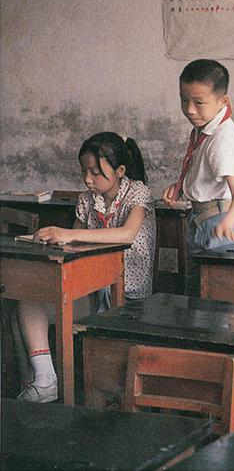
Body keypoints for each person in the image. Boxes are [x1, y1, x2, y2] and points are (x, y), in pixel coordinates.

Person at [17, 132, 156, 402]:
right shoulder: (86, 200)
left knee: (21, 319)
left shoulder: (138, 192)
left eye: (96, 172)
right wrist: (54, 240)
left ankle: (45, 387)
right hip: (92, 291)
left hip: (129, 300)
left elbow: (126, 234)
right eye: (84, 170)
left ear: (120, 171)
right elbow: (73, 248)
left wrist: (69, 234)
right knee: (27, 301)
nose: (88, 179)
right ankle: (45, 381)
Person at [162, 59, 234, 295]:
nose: (190, 109)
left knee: (221, 300)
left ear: (223, 101)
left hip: (221, 225)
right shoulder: (204, 128)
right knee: (198, 296)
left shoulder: (222, 138)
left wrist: (228, 222)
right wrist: (181, 186)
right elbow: (206, 176)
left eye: (199, 102)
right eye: (184, 100)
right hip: (202, 219)